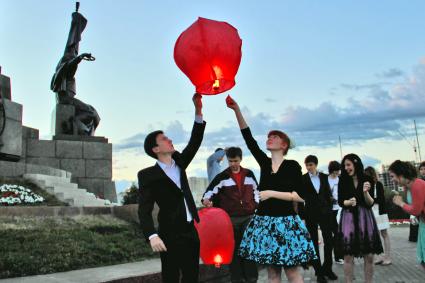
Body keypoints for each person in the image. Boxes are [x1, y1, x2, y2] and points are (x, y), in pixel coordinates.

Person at [226, 96, 316, 283]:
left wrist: (271, 194)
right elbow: (248, 137)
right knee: (272, 273)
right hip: (265, 223)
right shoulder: (265, 163)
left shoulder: (291, 165)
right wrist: (237, 110)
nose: (269, 138)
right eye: (268, 136)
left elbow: (301, 196)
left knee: (292, 273)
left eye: (274, 137)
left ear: (284, 145)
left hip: (286, 223)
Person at [138, 93, 205, 283]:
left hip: (191, 231)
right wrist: (152, 235)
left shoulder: (180, 162)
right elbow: (144, 209)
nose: (169, 140)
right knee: (170, 277)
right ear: (156, 149)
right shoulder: (147, 175)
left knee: (192, 277)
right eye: (164, 139)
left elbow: (195, 141)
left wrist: (198, 110)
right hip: (169, 233)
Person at [202, 146, 259, 283]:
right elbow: (209, 192)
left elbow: (257, 192)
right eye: (230, 161)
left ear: (240, 159)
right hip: (229, 219)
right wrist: (206, 200)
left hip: (248, 217)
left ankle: (251, 278)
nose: (233, 164)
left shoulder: (249, 174)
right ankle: (237, 279)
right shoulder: (222, 176)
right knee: (234, 250)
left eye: (235, 161)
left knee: (248, 248)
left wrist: (256, 206)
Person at [337, 154, 383, 283]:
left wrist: (365, 192)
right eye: (344, 165)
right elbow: (341, 201)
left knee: (369, 256)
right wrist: (348, 202)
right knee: (348, 256)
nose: (346, 168)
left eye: (348, 165)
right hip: (348, 218)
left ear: (356, 164)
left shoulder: (367, 179)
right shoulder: (343, 180)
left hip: (365, 218)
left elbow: (370, 203)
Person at [300, 155, 337, 282]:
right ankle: (319, 272)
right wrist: (302, 217)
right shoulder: (303, 179)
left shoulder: (324, 177)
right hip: (310, 213)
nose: (309, 167)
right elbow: (300, 199)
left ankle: (328, 268)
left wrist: (330, 209)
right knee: (314, 242)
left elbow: (327, 194)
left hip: (325, 213)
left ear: (315, 164)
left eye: (311, 164)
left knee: (329, 240)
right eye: (307, 165)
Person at [390, 160, 425, 268]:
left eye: (392, 176)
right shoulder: (408, 186)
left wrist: (401, 203)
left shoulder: (417, 185)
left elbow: (416, 210)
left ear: (400, 175)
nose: (392, 180)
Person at [364, 166, 392, 266]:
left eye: (367, 175)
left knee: (384, 234)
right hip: (371, 212)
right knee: (375, 236)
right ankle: (380, 256)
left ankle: (388, 257)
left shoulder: (378, 184)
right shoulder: (367, 185)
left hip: (380, 212)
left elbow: (380, 200)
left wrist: (370, 199)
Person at [327, 160, 343, 265]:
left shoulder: (340, 180)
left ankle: (338, 256)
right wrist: (330, 198)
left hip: (338, 208)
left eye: (338, 171)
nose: (337, 173)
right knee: (334, 234)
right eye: (335, 171)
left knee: (337, 233)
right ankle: (336, 256)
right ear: (331, 170)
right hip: (328, 210)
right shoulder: (325, 179)